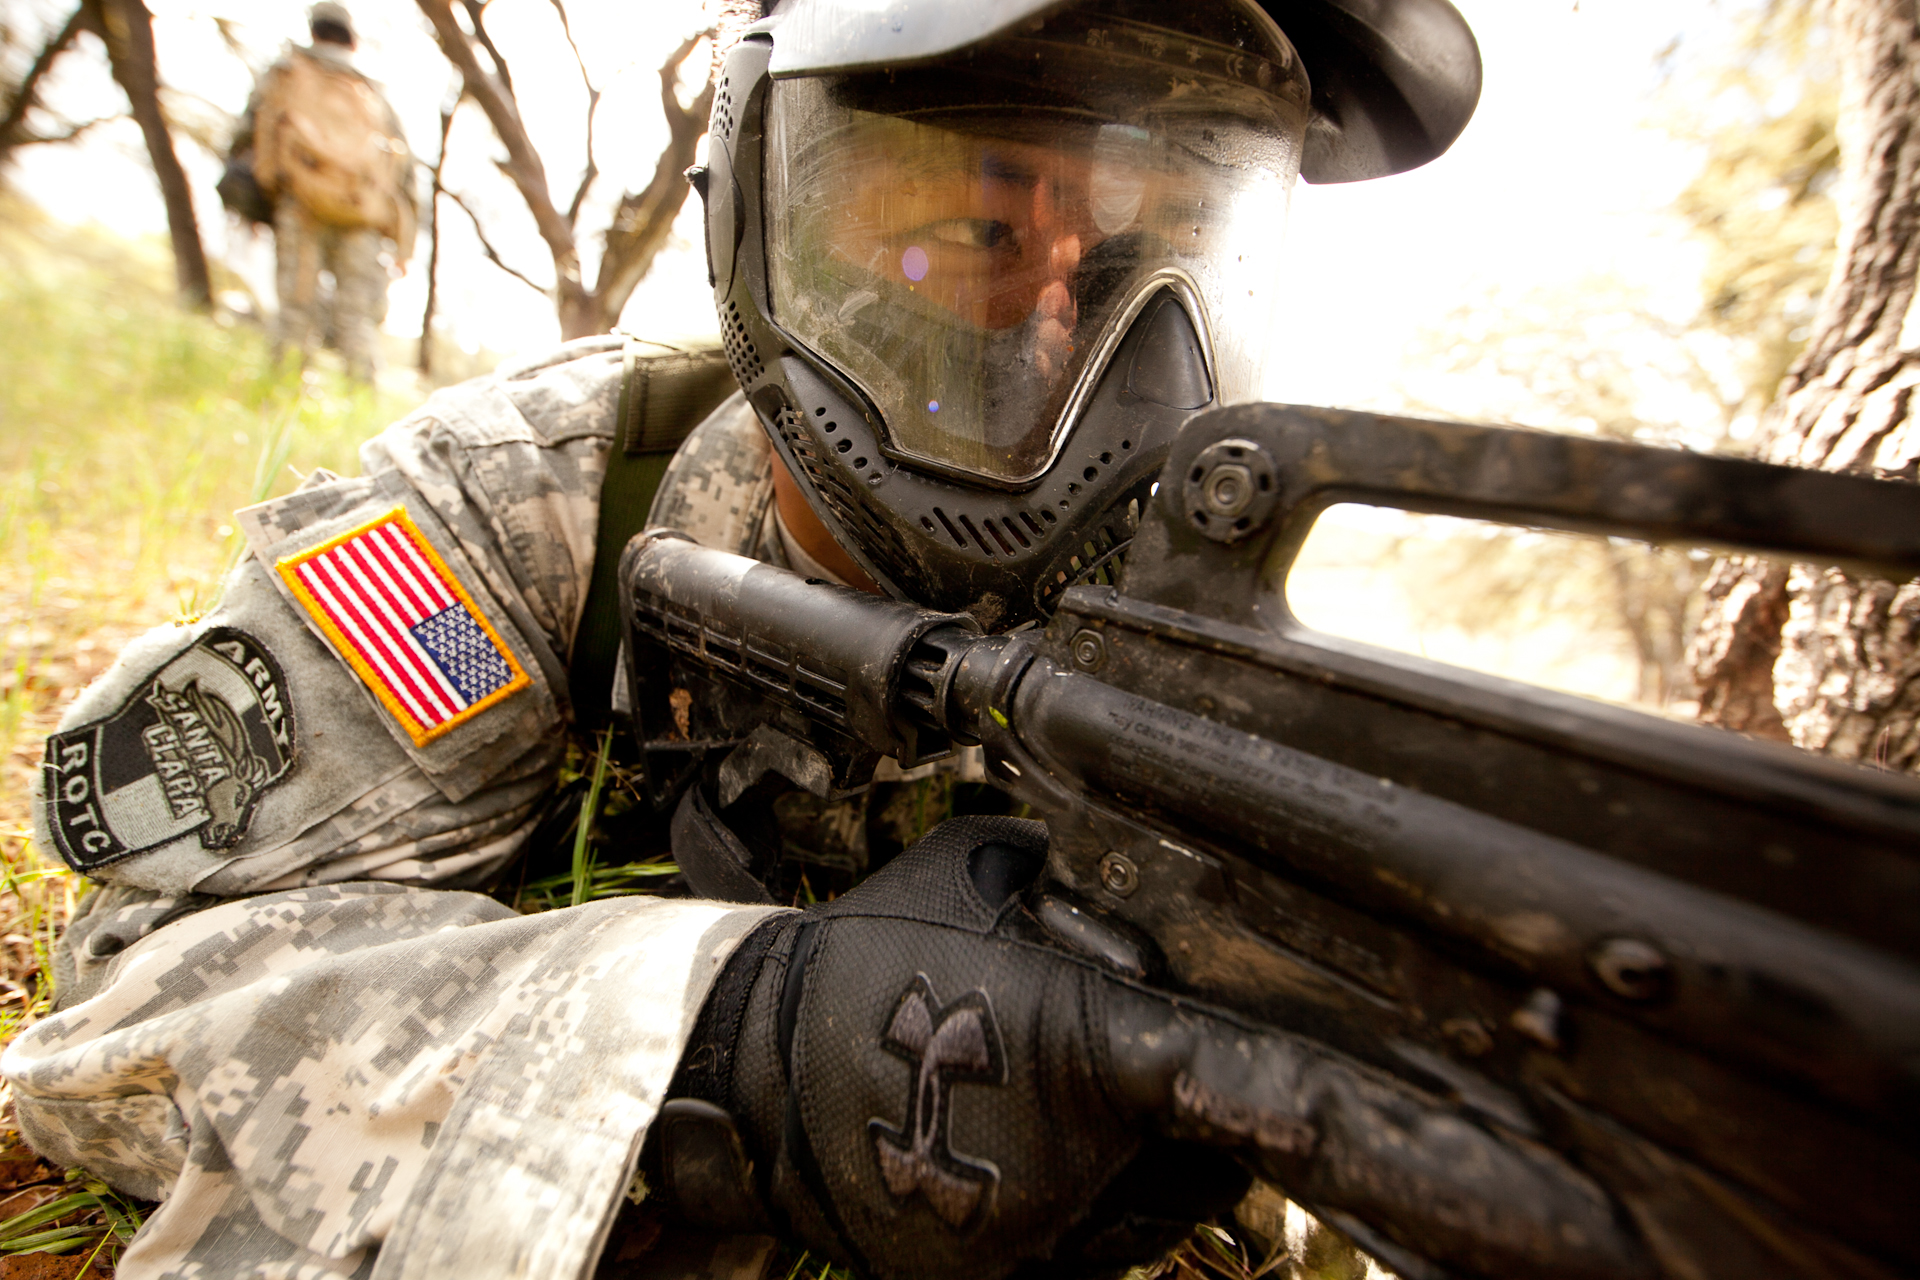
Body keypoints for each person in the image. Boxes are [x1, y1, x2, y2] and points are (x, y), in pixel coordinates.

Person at [4, 3, 1528, 1278]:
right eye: (983, 229)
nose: (1087, 336)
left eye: (1164, 253)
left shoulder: (1206, 644)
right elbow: (133, 1002)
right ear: (759, 224)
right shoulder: (529, 521)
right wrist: (727, 1039)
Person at [230, 2, 413, 383]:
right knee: (357, 317)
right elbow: (403, 169)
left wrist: (254, 193)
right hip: (360, 211)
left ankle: (282, 398)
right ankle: (363, 404)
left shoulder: (286, 73)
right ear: (351, 36)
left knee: (296, 308)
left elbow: (247, 133)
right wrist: (404, 239)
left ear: (314, 30)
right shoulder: (371, 88)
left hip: (301, 202)